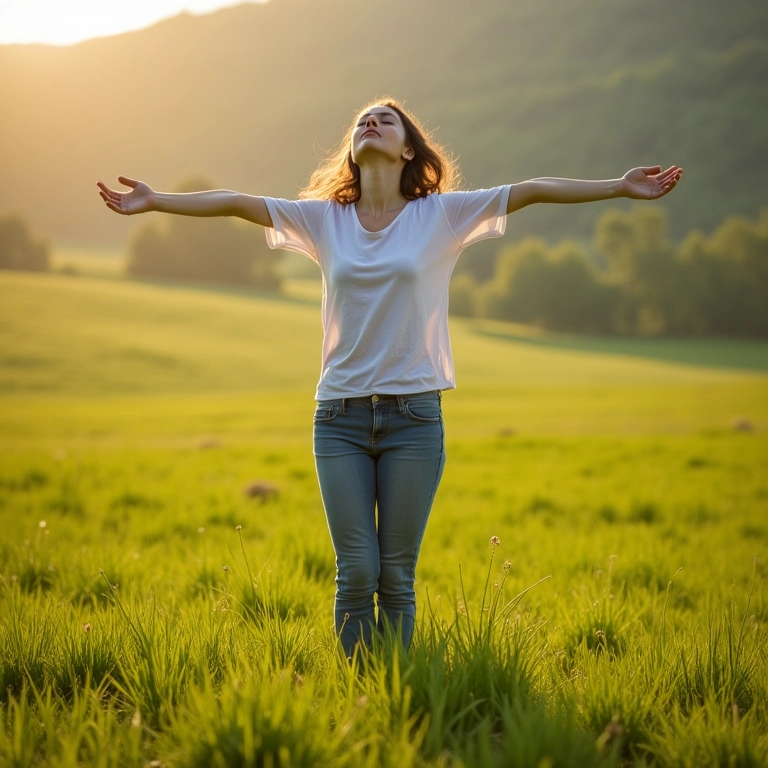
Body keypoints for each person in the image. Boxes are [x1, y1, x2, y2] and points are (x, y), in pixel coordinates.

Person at [97, 96, 682, 657]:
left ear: (408, 151)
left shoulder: (441, 215)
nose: (371, 124)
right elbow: (235, 202)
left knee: (397, 576)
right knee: (355, 571)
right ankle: (360, 695)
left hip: (414, 418)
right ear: (353, 149)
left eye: (386, 121)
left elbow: (529, 191)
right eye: (363, 122)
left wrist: (617, 186)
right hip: (339, 418)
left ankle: (397, 689)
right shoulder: (326, 220)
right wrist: (157, 202)